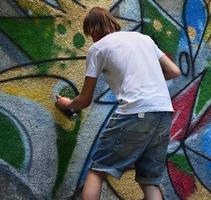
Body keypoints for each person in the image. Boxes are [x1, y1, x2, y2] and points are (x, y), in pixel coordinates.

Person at [55, 6, 180, 200]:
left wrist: (67, 104)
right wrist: (148, 77)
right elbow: (174, 71)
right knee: (149, 181)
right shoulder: (144, 39)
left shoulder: (98, 49)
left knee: (97, 170)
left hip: (135, 113)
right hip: (163, 113)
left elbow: (85, 100)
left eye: (90, 34)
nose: (92, 39)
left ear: (94, 29)